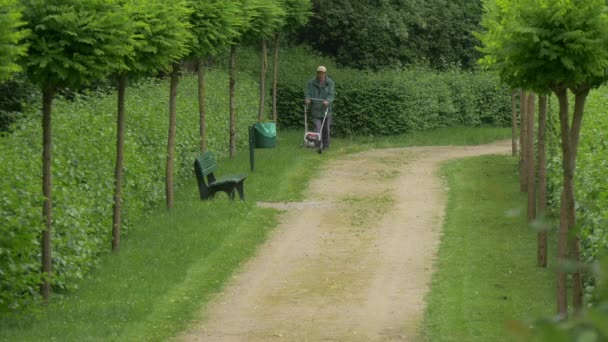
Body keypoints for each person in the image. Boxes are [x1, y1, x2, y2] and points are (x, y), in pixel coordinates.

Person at [305, 65, 335, 149]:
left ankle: (326, 145)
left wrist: (328, 101)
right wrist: (307, 99)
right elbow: (307, 93)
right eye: (319, 73)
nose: (321, 75)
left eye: (322, 73)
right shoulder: (311, 82)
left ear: (325, 74)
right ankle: (317, 144)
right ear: (317, 73)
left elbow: (331, 94)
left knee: (326, 129)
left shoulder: (330, 82)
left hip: (326, 109)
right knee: (317, 128)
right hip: (315, 109)